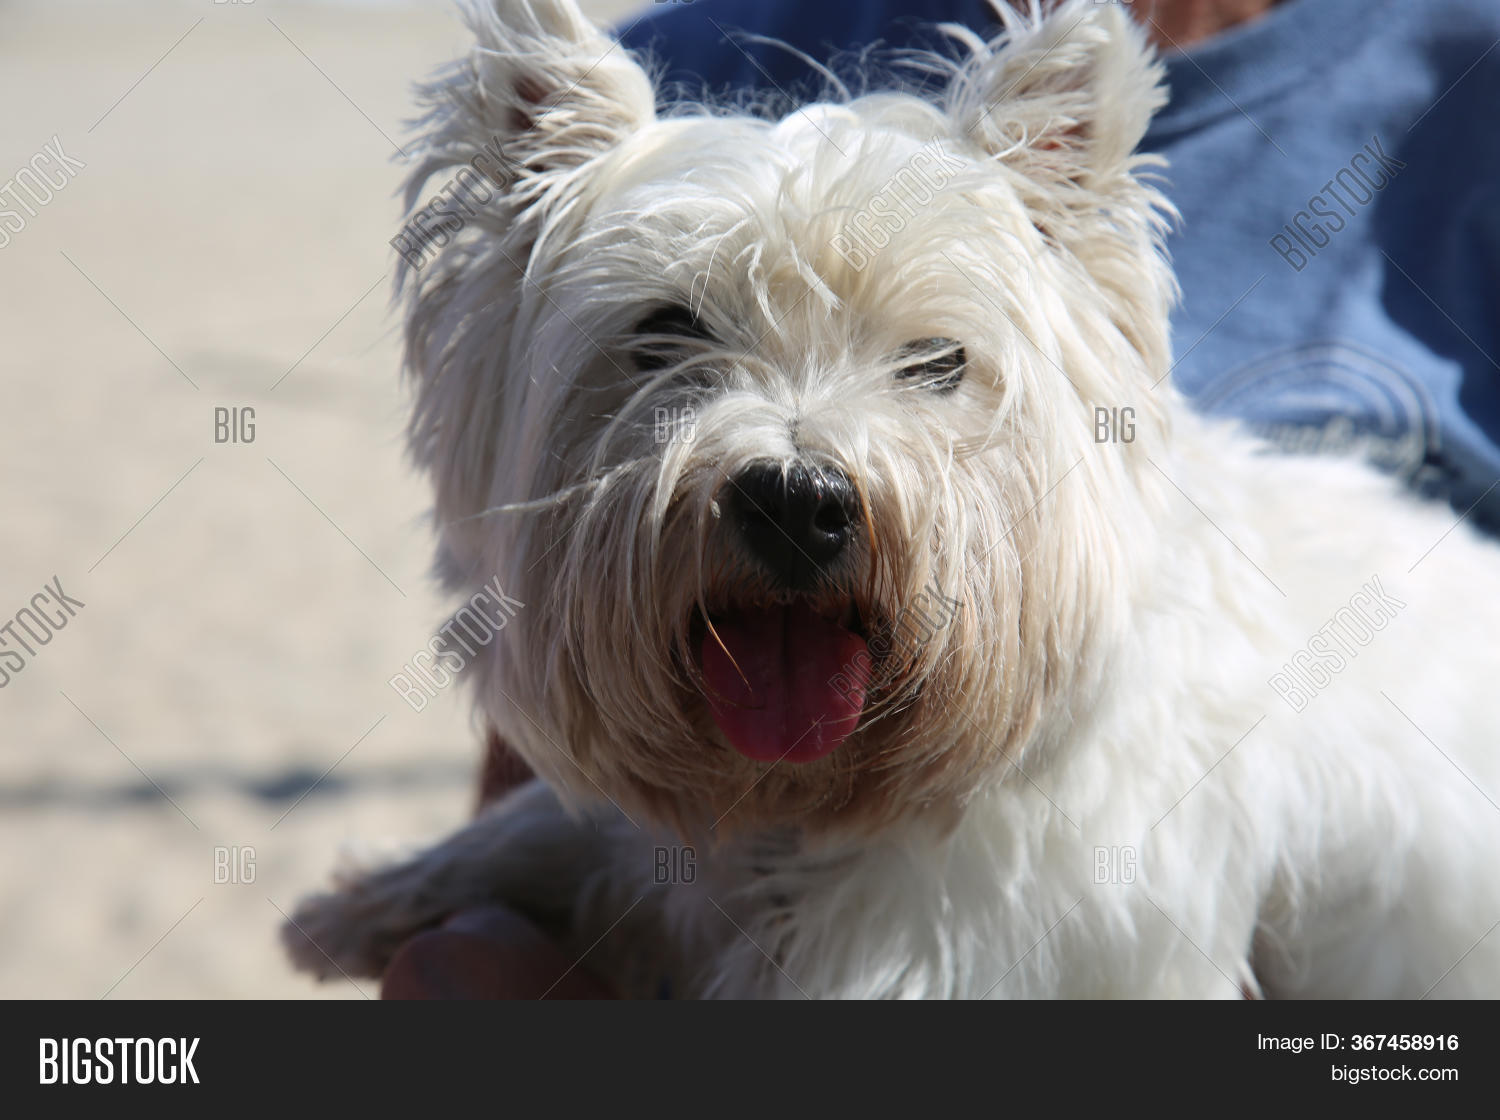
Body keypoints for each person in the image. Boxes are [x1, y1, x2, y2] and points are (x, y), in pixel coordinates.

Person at [383, 0, 1500, 997]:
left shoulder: (1464, 74)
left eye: (932, 364)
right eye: (669, 344)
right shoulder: (703, 48)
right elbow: (552, 743)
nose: (796, 468)